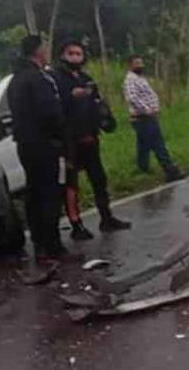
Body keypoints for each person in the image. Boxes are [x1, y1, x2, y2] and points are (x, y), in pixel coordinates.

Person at [53, 39, 131, 241]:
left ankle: (106, 217)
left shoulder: (87, 79)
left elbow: (98, 103)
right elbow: (53, 108)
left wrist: (106, 119)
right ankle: (76, 224)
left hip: (90, 137)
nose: (75, 57)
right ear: (62, 55)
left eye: (79, 54)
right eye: (71, 53)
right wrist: (71, 97)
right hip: (69, 141)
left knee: (99, 179)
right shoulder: (56, 80)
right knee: (71, 185)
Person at [7, 35, 70, 261]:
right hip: (45, 145)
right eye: (44, 48)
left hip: (25, 145)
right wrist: (61, 137)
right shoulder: (38, 79)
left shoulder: (15, 80)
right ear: (37, 52)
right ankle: (53, 245)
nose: (47, 51)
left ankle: (39, 242)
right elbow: (50, 113)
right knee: (50, 194)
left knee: (33, 193)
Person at [123, 55, 184, 182]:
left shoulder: (139, 78)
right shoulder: (130, 80)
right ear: (130, 65)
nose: (140, 65)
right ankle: (170, 170)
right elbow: (132, 98)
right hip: (143, 117)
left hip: (144, 117)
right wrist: (147, 110)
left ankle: (143, 167)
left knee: (143, 144)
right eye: (137, 63)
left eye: (141, 63)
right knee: (158, 144)